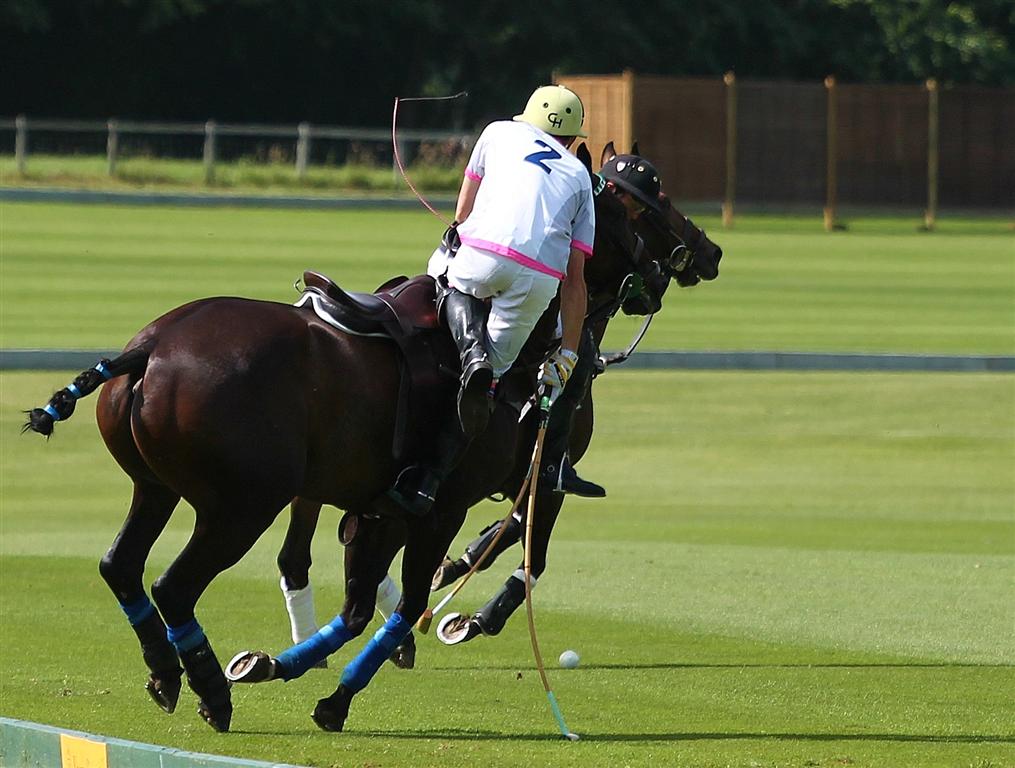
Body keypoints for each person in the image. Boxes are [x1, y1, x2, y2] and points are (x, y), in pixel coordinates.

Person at [386, 84, 596, 517]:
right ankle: (427, 482)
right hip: (541, 277)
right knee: (490, 386)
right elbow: (576, 281)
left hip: (484, 254)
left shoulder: (498, 131)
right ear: (571, 139)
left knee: (448, 283)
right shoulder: (579, 176)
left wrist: (460, 233)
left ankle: (471, 352)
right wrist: (569, 355)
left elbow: (463, 211)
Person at [538, 152, 666, 497]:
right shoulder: (594, 205)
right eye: (635, 208)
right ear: (612, 190)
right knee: (577, 355)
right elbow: (574, 273)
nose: (634, 217)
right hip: (530, 280)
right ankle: (552, 465)